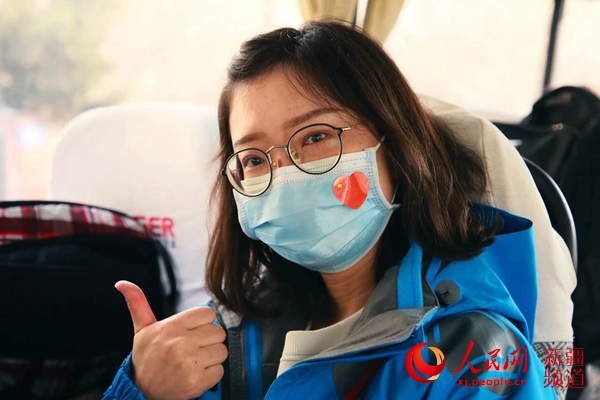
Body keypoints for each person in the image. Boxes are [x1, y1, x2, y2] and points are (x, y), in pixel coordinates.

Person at [104, 21, 557, 399]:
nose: (284, 175)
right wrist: (142, 389)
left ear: (394, 145)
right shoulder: (229, 335)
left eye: (315, 137)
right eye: (255, 159)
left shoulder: (473, 355)